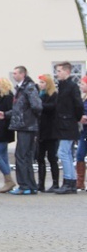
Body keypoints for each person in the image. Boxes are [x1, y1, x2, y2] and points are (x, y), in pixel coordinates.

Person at [2, 66, 42, 195]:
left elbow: (36, 106)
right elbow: (20, 108)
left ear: (23, 74)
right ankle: (31, 185)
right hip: (24, 125)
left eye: (16, 73)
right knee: (25, 156)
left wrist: (28, 118)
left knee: (21, 155)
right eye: (13, 73)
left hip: (26, 126)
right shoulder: (21, 89)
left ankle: (24, 185)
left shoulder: (28, 88)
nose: (14, 75)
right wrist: (6, 114)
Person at [53, 62, 84, 195]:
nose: (57, 73)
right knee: (66, 154)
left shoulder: (72, 86)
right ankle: (70, 181)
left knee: (63, 153)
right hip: (63, 123)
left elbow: (78, 105)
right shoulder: (62, 86)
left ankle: (69, 181)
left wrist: (75, 118)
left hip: (68, 123)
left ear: (67, 71)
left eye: (59, 71)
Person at [35, 74, 59, 192]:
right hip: (41, 131)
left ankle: (55, 183)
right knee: (40, 158)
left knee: (52, 157)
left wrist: (40, 105)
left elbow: (52, 107)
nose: (40, 85)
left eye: (42, 83)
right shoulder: (40, 95)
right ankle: (40, 183)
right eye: (40, 83)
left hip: (51, 131)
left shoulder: (54, 95)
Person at [0, 78, 16, 193]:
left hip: (4, 130)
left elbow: (11, 112)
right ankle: (7, 181)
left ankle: (9, 180)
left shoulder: (8, 97)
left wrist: (3, 115)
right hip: (1, 129)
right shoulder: (0, 97)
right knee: (3, 156)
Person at [75, 76, 87, 190]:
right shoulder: (83, 98)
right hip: (84, 131)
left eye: (83, 84)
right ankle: (80, 182)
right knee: (80, 155)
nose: (81, 86)